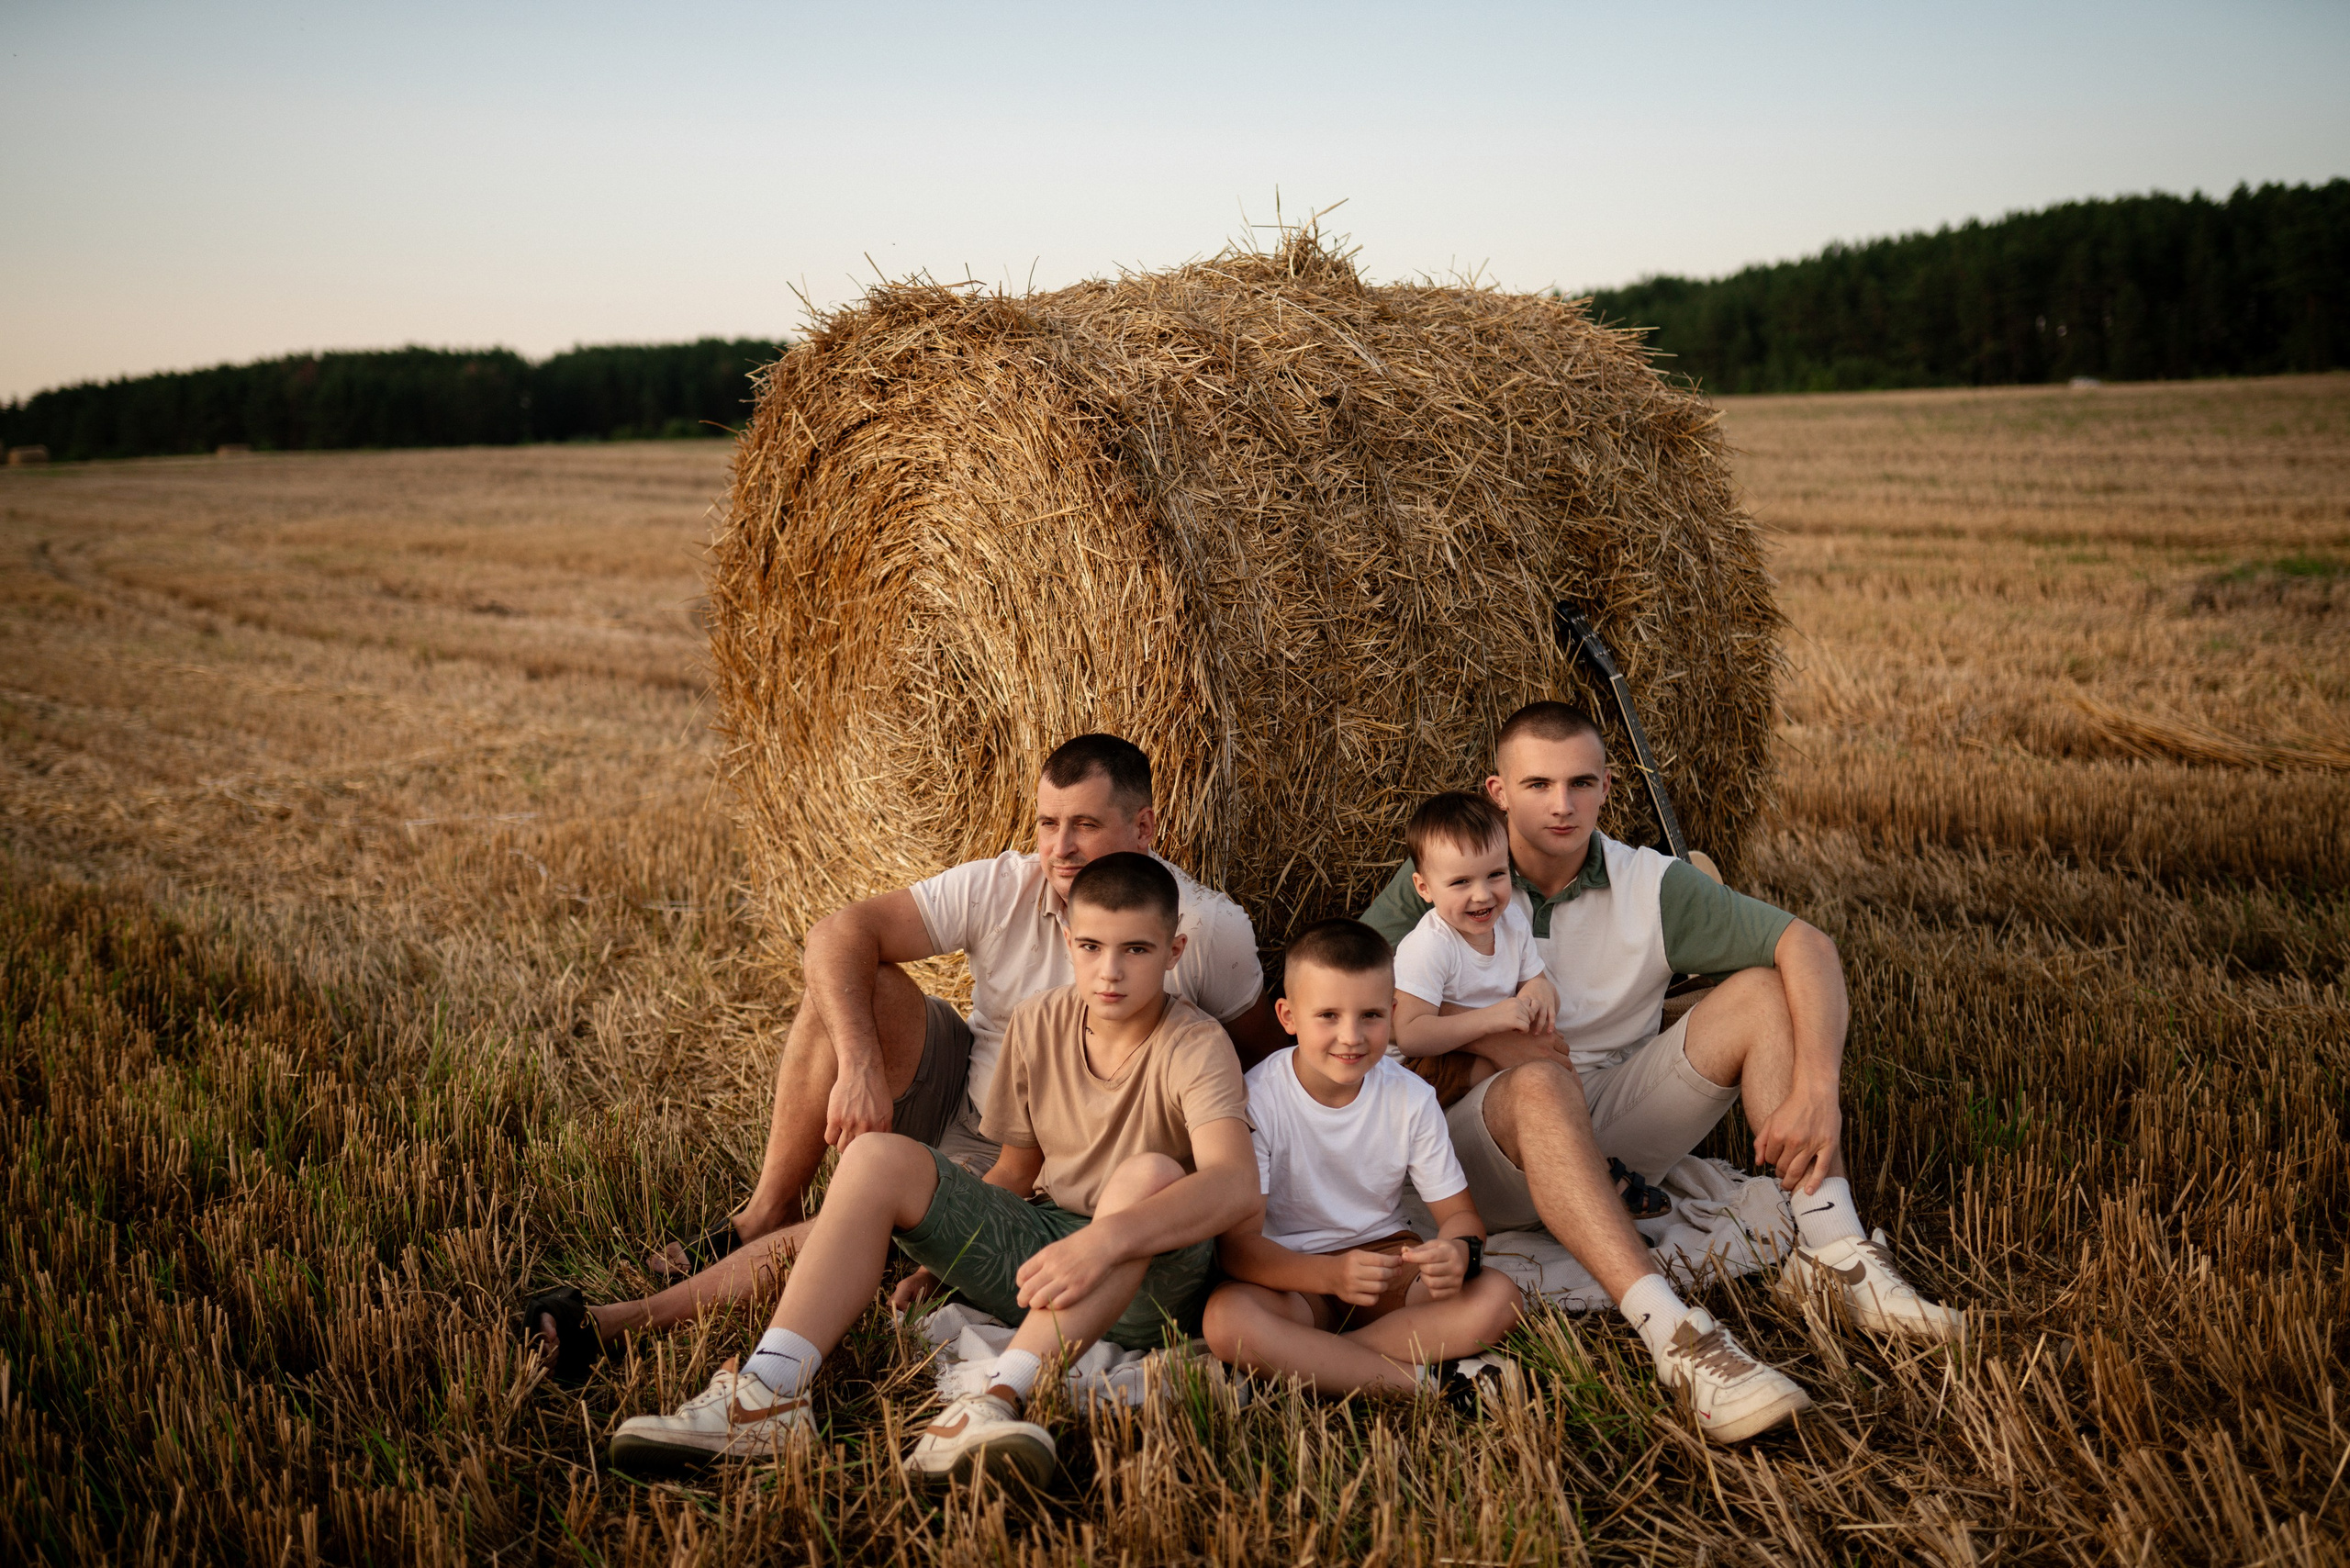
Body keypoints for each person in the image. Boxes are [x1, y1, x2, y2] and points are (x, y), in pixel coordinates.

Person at [520, 734, 1280, 1375]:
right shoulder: (1009, 906)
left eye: (1084, 824)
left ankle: (645, 1329)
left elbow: (1258, 1067)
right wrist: (859, 1066)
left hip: (1071, 1165)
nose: (1060, 847)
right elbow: (837, 933)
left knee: (878, 1211)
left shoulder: (1205, 936)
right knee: (850, 988)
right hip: (974, 1101)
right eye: (1048, 823)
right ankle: (766, 1213)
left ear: (1144, 828)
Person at [1361, 702, 1965, 1443]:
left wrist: (1819, 1091)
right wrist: (1485, 1051)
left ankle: (1835, 1251)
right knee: (1542, 1084)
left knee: (1760, 991)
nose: (1562, 804)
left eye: (1582, 782)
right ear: (1498, 792)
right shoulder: (1452, 872)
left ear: (1609, 786)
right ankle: (1673, 1335)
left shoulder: (1652, 885)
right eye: (1539, 784)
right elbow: (1347, 998)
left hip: (1607, 1120)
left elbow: (1808, 944)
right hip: (1465, 1146)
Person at [605, 853, 1261, 1484]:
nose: (1109, 971)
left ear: (1173, 953)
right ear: (1067, 940)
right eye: (1091, 947)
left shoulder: (1195, 1045)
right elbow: (1013, 1170)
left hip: (1150, 1277)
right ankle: (769, 1394)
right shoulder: (1038, 1023)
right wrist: (941, 1259)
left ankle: (994, 1403)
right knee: (876, 1157)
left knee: (1144, 1175)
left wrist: (1106, 1239)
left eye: (1135, 950)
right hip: (1046, 1258)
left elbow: (1233, 1184)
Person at [1203, 919, 1522, 1397]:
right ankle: (1419, 1384)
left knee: (1500, 1299)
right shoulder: (1258, 1098)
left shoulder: (1411, 1097)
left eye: (1370, 1015)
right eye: (1328, 1015)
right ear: (1288, 1017)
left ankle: (1316, 1360)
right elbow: (1239, 1249)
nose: (1351, 1036)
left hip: (1387, 1261)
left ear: (1392, 1013)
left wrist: (1459, 1251)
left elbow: (1459, 1216)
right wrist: (1329, 1274)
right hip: (1293, 1274)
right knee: (1226, 1319)